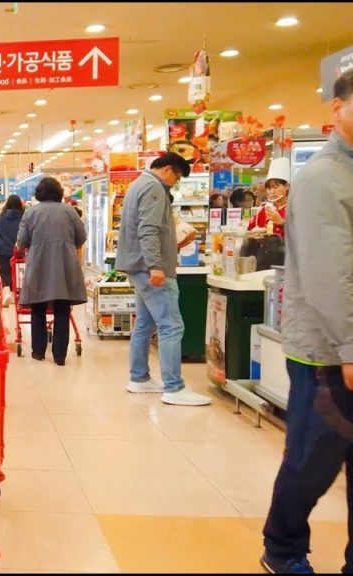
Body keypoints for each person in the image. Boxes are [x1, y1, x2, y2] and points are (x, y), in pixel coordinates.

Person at [260, 68, 353, 575]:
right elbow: (327, 273)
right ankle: (283, 548)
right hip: (327, 352)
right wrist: (349, 346)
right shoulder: (323, 178)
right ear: (336, 109)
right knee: (313, 460)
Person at [116, 151, 210, 407]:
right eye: (177, 177)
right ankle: (174, 387)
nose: (175, 183)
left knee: (145, 324)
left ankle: (139, 378)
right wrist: (155, 265)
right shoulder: (154, 189)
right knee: (171, 325)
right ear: (168, 170)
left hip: (138, 266)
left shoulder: (138, 184)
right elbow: (148, 230)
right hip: (151, 270)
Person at [15, 178, 87, 366]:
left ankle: (38, 351)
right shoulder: (70, 211)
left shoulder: (31, 212)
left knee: (37, 308)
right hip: (65, 264)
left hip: (39, 263)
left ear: (39, 193)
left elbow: (21, 241)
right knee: (62, 310)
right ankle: (59, 356)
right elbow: (82, 236)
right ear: (59, 192)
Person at [0, 194, 26, 307]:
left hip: (3, 249)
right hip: (19, 251)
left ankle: (7, 291)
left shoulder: (1, 218)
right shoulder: (24, 218)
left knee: (5, 272)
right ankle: (20, 294)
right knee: (20, 272)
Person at [248, 158, 290, 238]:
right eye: (268, 188)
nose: (272, 191)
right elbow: (251, 228)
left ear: (286, 186)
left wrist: (281, 223)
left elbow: (303, 232)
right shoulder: (264, 210)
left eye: (275, 187)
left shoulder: (295, 208)